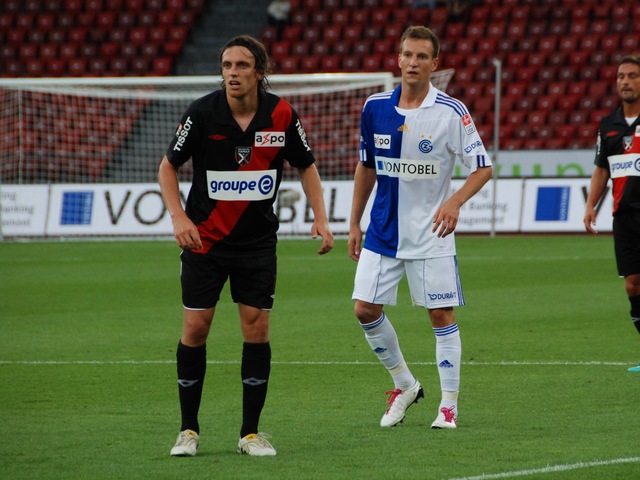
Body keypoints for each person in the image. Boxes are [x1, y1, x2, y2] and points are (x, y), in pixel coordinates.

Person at [158, 34, 334, 457]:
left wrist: (321, 217)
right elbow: (168, 167)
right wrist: (179, 217)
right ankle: (188, 431)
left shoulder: (281, 114)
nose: (232, 73)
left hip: (257, 245)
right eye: (226, 65)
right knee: (195, 328)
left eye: (241, 65)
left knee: (257, 328)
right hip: (205, 242)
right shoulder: (202, 113)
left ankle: (250, 434)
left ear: (260, 71)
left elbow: (306, 166)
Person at [348, 25, 492, 429]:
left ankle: (448, 406)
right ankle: (405, 384)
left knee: (440, 315)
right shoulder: (374, 107)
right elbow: (367, 166)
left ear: (434, 63)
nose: (413, 62)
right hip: (382, 230)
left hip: (431, 233)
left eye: (422, 56)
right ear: (398, 59)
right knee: (364, 309)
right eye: (407, 55)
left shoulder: (451, 111)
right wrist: (354, 222)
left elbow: (482, 167)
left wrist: (454, 201)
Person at [584, 54, 640, 373]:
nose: (626, 81)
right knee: (633, 285)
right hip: (625, 218)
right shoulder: (609, 126)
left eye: (632, 76)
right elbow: (602, 169)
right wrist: (591, 204)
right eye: (621, 76)